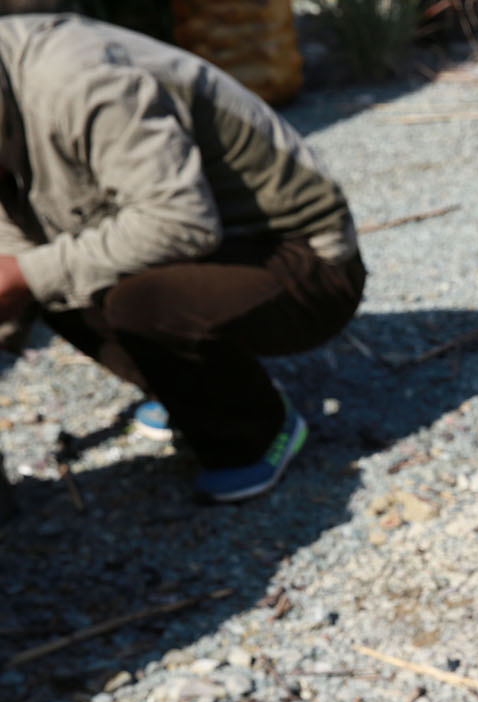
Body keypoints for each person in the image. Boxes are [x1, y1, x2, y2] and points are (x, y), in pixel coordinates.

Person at [0, 13, 365, 503]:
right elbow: (16, 250)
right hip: (206, 247)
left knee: (130, 301)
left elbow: (182, 222)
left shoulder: (73, 77)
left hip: (301, 257)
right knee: (53, 280)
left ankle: (260, 428)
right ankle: (195, 393)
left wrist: (25, 276)